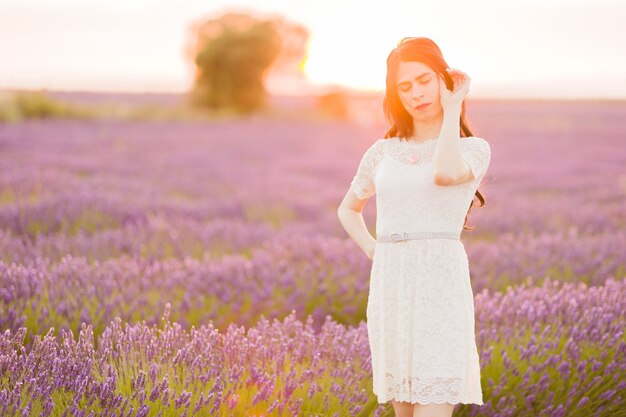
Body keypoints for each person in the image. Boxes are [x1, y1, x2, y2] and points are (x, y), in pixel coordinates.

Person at [337, 37, 491, 417]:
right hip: (392, 287)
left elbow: (443, 173)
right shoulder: (383, 152)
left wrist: (453, 105)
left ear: (443, 79)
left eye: (424, 80)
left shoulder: (474, 149)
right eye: (404, 87)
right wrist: (377, 250)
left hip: (439, 287)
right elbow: (348, 210)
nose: (416, 93)